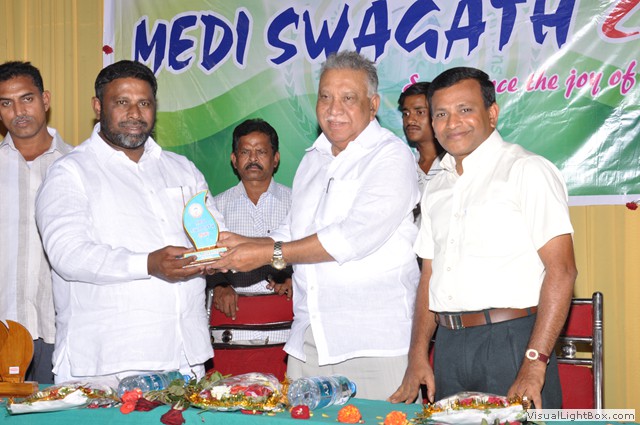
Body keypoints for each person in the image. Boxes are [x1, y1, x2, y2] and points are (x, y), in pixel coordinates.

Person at [211, 51, 420, 400]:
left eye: (348, 98)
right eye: (325, 96)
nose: (334, 109)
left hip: (374, 343)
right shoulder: (313, 159)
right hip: (309, 340)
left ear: (373, 105)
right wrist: (237, 246)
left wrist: (268, 253)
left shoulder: (390, 155)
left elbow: (352, 237)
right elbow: (292, 231)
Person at [389, 67, 577, 409]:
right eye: (441, 114)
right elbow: (429, 276)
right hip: (448, 345)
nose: (452, 123)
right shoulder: (436, 186)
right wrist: (417, 355)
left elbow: (562, 271)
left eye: (465, 109)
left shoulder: (527, 170)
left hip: (513, 342)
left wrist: (534, 363)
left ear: (492, 113)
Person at [35, 60, 222, 385]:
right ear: (98, 107)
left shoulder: (183, 169)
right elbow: (68, 254)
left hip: (186, 355)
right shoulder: (71, 172)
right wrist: (148, 263)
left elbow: (214, 234)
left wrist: (216, 257)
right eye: (122, 102)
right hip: (108, 362)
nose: (135, 113)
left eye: (144, 103)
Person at [0, 61, 73, 384]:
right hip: (3, 326)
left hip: (63, 327)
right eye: (6, 103)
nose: (18, 111)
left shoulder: (78, 166)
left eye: (26, 99)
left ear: (45, 99)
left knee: (62, 411)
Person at [208, 118, 292, 345]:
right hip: (232, 331)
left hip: (287, 330)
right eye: (245, 152)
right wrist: (219, 284)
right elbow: (207, 258)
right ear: (234, 160)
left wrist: (295, 279)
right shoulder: (215, 207)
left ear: (276, 158)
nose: (253, 159)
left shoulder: (297, 203)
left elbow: (309, 252)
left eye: (261, 152)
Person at [398, 81, 444, 198]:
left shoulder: (455, 162)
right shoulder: (406, 166)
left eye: (420, 112)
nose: (410, 120)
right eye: (406, 113)